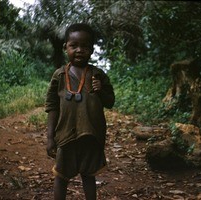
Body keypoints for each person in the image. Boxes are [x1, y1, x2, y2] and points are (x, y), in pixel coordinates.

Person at [45, 23, 115, 200]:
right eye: (74, 46)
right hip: (66, 136)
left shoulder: (98, 74)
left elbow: (110, 102)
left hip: (90, 135)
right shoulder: (59, 76)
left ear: (91, 50)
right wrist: (50, 137)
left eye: (84, 46)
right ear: (65, 48)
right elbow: (52, 106)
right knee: (61, 176)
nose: (79, 50)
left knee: (88, 175)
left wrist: (101, 91)